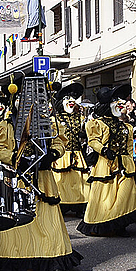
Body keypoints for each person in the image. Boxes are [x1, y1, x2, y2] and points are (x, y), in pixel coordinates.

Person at [0, 77, 83, 271]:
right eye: (24, 98)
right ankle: (15, 256)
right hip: (17, 178)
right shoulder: (5, 127)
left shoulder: (49, 125)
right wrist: (15, 158)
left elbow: (59, 142)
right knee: (16, 217)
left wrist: (53, 154)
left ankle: (48, 255)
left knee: (45, 217)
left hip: (43, 180)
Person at [77, 85, 136, 236]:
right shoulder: (97, 124)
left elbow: (128, 146)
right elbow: (93, 140)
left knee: (125, 195)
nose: (120, 103)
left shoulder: (126, 126)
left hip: (124, 166)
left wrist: (130, 162)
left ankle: (120, 223)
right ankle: (107, 224)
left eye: (120, 100)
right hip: (105, 165)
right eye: (115, 100)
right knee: (105, 197)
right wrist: (104, 150)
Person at [51, 83, 89, 217]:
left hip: (77, 154)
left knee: (79, 181)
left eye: (73, 98)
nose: (71, 101)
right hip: (61, 156)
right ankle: (62, 205)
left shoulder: (80, 118)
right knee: (62, 182)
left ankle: (79, 205)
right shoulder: (54, 119)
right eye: (68, 98)